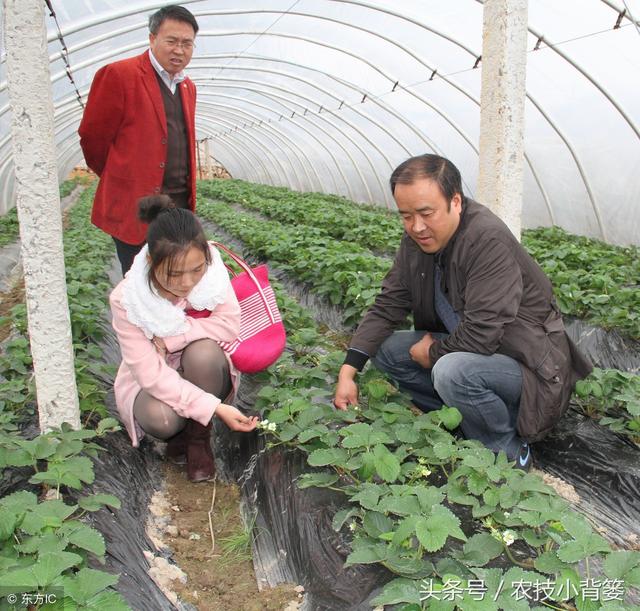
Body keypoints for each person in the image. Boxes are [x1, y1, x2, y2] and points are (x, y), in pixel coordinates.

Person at [333, 154, 591, 470]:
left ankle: (508, 452)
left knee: (451, 371)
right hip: (474, 352)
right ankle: (463, 419)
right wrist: (349, 370)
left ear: (456, 201)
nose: (416, 226)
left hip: (528, 367)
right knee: (388, 351)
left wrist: (433, 352)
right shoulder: (416, 242)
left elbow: (482, 335)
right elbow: (389, 304)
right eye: (405, 216)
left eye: (426, 213)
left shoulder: (486, 240)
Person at [110, 195, 258, 482]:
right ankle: (179, 431)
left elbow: (228, 326)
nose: (188, 283)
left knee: (202, 354)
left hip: (203, 370)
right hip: (155, 378)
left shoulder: (213, 277)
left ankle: (198, 438)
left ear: (206, 257)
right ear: (152, 262)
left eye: (197, 269)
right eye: (174, 274)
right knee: (162, 419)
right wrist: (214, 407)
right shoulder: (127, 300)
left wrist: (175, 339)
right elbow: (150, 375)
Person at [79, 5, 199, 275]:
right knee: (139, 284)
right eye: (171, 41)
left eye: (187, 43)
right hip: (136, 210)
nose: (179, 50)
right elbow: (92, 138)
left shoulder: (187, 87)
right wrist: (120, 177)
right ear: (152, 38)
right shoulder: (120, 75)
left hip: (178, 208)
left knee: (176, 282)